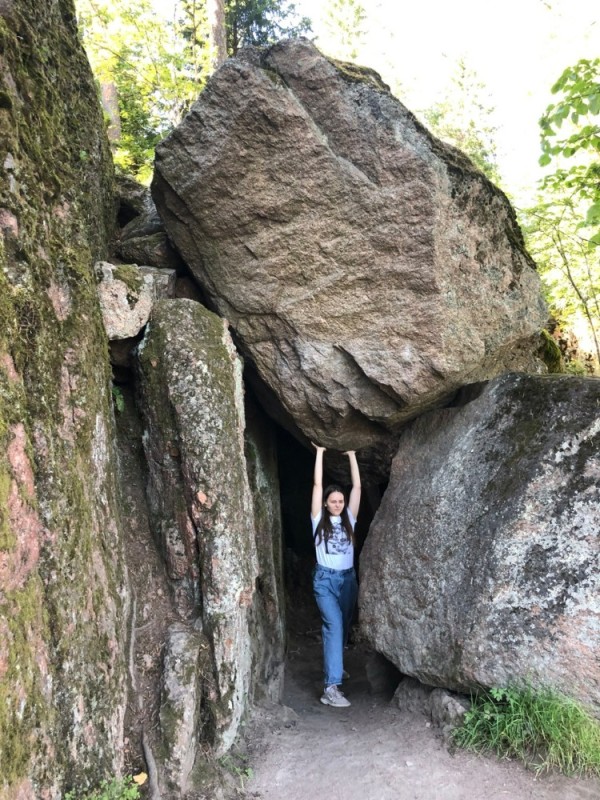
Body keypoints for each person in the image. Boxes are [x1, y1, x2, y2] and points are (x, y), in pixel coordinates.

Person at [311, 443, 361, 707]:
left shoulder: (349, 520)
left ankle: (337, 666)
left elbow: (358, 489)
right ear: (326, 504)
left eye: (341, 501)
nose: (338, 504)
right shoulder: (318, 520)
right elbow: (317, 486)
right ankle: (331, 687)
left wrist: (352, 455)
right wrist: (320, 453)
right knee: (334, 625)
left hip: (348, 580)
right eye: (334, 501)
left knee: (343, 624)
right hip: (325, 581)